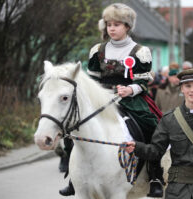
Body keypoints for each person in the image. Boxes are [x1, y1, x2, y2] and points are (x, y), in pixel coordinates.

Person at [60, 3, 164, 197]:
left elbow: (143, 83)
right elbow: (92, 81)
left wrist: (129, 89)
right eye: (109, 24)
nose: (112, 28)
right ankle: (73, 177)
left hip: (130, 100)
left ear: (127, 26)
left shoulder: (140, 51)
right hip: (100, 100)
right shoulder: (97, 50)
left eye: (117, 24)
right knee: (73, 127)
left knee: (152, 125)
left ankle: (155, 176)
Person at [125, 69, 193, 199]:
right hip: (177, 190)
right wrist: (137, 147)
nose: (192, 90)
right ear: (182, 88)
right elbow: (156, 150)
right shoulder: (169, 119)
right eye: (188, 86)